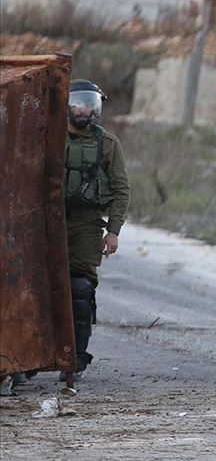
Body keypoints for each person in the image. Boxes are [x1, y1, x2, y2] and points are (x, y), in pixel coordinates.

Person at [64, 79, 131, 376]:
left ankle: (76, 357)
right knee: (34, 286)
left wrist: (113, 230)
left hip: (87, 223)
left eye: (89, 105)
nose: (84, 111)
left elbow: (121, 188)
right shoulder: (47, 136)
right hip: (46, 222)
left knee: (80, 288)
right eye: (78, 104)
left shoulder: (107, 143)